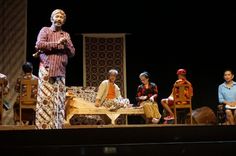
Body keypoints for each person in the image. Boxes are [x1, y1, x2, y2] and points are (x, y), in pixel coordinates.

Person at [35, 9, 75, 129]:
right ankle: (43, 128)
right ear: (52, 18)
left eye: (61, 17)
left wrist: (66, 44)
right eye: (57, 16)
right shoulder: (45, 30)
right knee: (45, 99)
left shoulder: (66, 35)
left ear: (63, 21)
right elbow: (39, 44)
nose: (59, 19)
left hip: (60, 70)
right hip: (47, 68)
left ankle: (57, 127)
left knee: (59, 99)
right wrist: (57, 44)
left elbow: (72, 52)